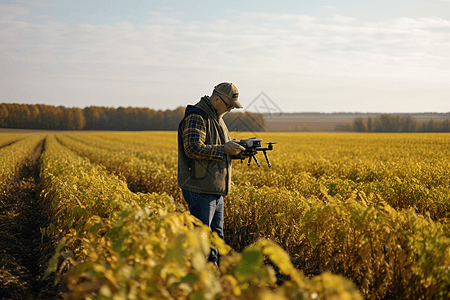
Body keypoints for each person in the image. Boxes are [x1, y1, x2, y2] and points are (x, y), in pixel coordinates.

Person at [177, 82, 245, 266]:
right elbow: (192, 148)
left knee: (216, 240)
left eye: (233, 106)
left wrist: (239, 151)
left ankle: (213, 281)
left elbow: (220, 151)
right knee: (203, 242)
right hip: (199, 189)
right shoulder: (197, 117)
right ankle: (200, 283)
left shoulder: (218, 118)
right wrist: (224, 148)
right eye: (229, 105)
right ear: (216, 99)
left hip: (214, 189)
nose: (231, 109)